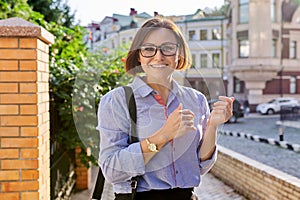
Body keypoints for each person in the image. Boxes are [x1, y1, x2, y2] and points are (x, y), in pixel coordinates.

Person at [97, 16, 234, 200]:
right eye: (148, 49)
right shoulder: (117, 101)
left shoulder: (196, 100)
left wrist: (213, 126)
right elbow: (112, 170)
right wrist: (163, 135)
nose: (158, 56)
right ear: (139, 55)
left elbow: (200, 165)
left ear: (179, 55)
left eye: (168, 48)